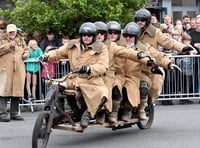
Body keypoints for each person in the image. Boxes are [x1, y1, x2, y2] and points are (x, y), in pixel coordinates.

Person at [39, 22, 109, 128]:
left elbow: (103, 65)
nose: (86, 37)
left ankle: (88, 114)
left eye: (89, 35)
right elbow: (58, 53)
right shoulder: (72, 45)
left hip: (91, 80)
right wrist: (46, 56)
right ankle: (59, 111)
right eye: (84, 35)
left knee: (102, 93)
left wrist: (90, 68)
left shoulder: (101, 48)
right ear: (80, 35)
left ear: (94, 36)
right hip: (74, 78)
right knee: (56, 84)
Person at [94, 21, 156, 124]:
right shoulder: (101, 45)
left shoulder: (137, 47)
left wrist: (151, 62)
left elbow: (136, 54)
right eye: (110, 32)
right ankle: (99, 112)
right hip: (106, 74)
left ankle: (127, 110)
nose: (112, 35)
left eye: (115, 32)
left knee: (124, 89)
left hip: (128, 75)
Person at [134, 8, 197, 105]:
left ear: (147, 21)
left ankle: (150, 102)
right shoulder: (131, 32)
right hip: (134, 64)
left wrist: (183, 47)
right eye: (137, 20)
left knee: (155, 84)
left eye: (142, 20)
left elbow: (168, 42)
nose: (140, 22)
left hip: (151, 64)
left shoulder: (155, 32)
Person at [0, 24, 30, 122]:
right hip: (5, 70)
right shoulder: (2, 40)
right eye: (10, 32)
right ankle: (2, 114)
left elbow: (26, 50)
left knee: (17, 92)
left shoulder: (21, 40)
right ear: (7, 32)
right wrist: (9, 45)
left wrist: (26, 53)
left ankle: (14, 113)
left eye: (14, 32)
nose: (12, 34)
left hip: (18, 70)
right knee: (4, 91)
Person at [177, 32, 194, 104]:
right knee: (185, 84)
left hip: (189, 68)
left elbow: (195, 51)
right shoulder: (182, 47)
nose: (188, 42)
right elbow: (181, 53)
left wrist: (190, 46)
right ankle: (183, 99)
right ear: (183, 41)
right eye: (186, 41)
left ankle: (186, 97)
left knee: (189, 84)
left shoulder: (189, 46)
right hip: (183, 68)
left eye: (189, 41)